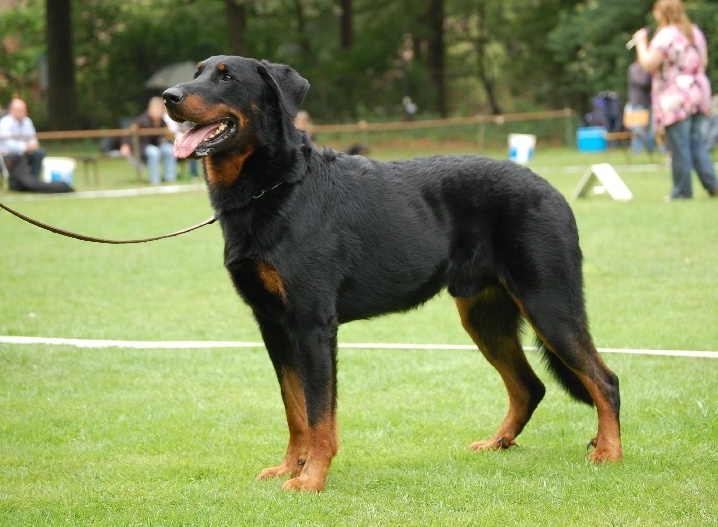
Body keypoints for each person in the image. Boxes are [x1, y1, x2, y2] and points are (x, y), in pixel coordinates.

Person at [632, 0, 718, 199]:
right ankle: (713, 185)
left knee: (678, 145)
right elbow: (702, 63)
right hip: (697, 93)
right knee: (696, 142)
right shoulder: (694, 32)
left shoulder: (666, 35)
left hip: (675, 97)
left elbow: (647, 63)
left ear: (662, 13)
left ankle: (681, 192)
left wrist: (641, 43)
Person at [120, 96, 177, 185]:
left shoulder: (162, 122)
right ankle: (155, 180)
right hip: (143, 147)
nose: (158, 111)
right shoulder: (141, 120)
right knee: (153, 152)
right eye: (156, 108)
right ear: (150, 109)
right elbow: (129, 131)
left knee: (170, 150)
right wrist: (125, 145)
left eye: (160, 108)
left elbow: (168, 136)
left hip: (158, 145)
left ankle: (170, 178)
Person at [0, 98, 46, 179]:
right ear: (11, 111)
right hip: (8, 154)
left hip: (24, 153)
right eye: (19, 109)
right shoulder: (5, 123)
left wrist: (29, 147)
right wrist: (26, 147)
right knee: (14, 156)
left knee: (39, 153)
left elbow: (34, 142)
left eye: (24, 109)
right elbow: (9, 145)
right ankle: (16, 181)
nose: (23, 111)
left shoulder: (27, 122)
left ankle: (33, 179)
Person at [626, 61, 656, 154]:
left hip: (649, 102)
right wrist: (652, 75)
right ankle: (637, 151)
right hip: (637, 102)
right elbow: (643, 82)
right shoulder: (634, 68)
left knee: (651, 129)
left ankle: (651, 150)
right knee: (638, 129)